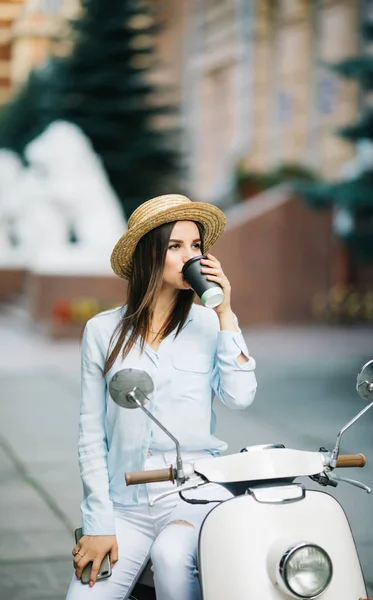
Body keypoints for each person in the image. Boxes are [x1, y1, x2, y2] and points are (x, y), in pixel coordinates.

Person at [66, 194, 257, 600]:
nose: (191, 256)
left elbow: (241, 397)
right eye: (175, 246)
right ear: (149, 256)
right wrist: (98, 523)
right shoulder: (102, 331)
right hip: (125, 502)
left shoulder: (210, 324)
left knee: (172, 558)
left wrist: (225, 313)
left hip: (192, 495)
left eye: (196, 246)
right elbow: (89, 436)